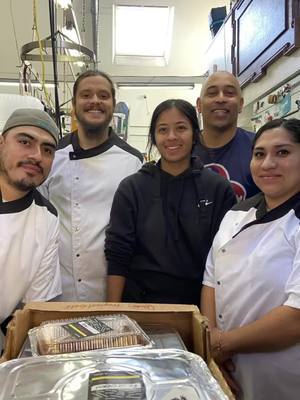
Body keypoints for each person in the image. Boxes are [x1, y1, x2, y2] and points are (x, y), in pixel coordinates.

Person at [201, 118, 300, 399]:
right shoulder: (237, 213)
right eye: (259, 154)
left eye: (283, 152)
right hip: (226, 366)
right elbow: (211, 279)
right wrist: (213, 347)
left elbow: (296, 317)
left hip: (282, 376)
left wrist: (223, 343)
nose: (268, 163)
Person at [105, 99, 236, 305]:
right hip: (139, 303)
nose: (172, 137)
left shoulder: (218, 189)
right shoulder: (132, 188)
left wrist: (209, 322)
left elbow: (224, 260)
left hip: (198, 304)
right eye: (163, 130)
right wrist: (113, 310)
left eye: (181, 128)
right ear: (154, 137)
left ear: (195, 133)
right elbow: (118, 254)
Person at [39, 70, 143, 301]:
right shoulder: (52, 155)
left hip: (110, 288)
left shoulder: (132, 161)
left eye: (103, 95)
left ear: (113, 104)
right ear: (74, 105)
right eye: (86, 95)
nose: (95, 101)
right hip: (56, 288)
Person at [0, 108, 62, 343]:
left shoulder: (46, 219)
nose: (37, 155)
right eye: (25, 141)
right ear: (1, 143)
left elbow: (34, 310)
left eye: (47, 150)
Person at [196, 71, 259, 200]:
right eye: (212, 93)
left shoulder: (259, 148)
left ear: (241, 104)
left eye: (229, 93)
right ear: (199, 105)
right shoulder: (182, 149)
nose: (220, 99)